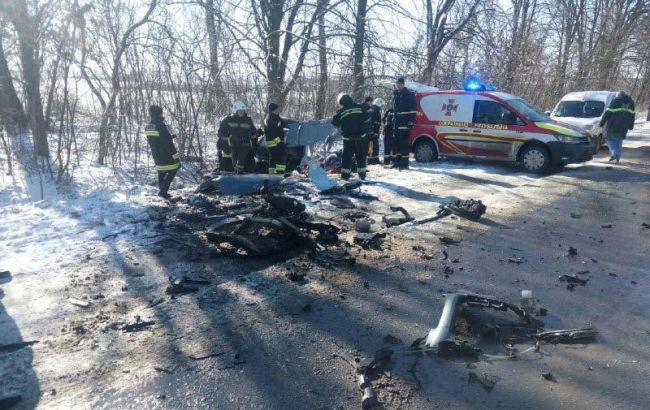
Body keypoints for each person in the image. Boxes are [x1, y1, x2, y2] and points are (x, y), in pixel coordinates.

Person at [144, 105, 181, 200]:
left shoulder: (148, 126)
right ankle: (163, 191)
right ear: (159, 113)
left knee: (161, 172)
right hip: (166, 154)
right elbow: (167, 142)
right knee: (174, 168)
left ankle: (162, 190)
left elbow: (155, 139)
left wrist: (169, 137)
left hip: (156, 154)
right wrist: (175, 156)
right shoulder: (161, 124)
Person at [331, 92, 370, 180]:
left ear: (341, 101)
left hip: (348, 138)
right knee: (361, 155)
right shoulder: (360, 107)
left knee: (347, 156)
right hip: (361, 136)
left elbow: (334, 122)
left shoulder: (341, 111)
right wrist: (363, 128)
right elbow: (368, 117)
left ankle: (345, 175)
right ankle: (362, 175)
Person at [218, 101, 257, 173]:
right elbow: (221, 132)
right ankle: (236, 173)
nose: (241, 112)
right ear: (235, 111)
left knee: (241, 160)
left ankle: (239, 172)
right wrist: (227, 140)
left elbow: (253, 131)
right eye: (239, 111)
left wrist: (255, 135)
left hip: (245, 143)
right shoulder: (228, 120)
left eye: (242, 110)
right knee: (234, 161)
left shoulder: (248, 120)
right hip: (233, 144)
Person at [599, 90, 635, 164]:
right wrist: (631, 126)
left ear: (618, 95)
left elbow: (607, 113)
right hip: (624, 126)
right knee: (619, 140)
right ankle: (617, 157)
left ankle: (614, 153)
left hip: (613, 124)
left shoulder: (616, 101)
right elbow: (632, 115)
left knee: (608, 139)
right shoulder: (631, 103)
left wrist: (601, 123)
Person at [391, 77, 417, 170]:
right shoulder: (395, 95)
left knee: (404, 144)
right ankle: (396, 162)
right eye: (397, 83)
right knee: (396, 144)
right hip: (396, 124)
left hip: (405, 123)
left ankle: (404, 163)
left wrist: (410, 122)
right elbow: (394, 110)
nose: (398, 85)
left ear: (403, 84)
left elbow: (413, 110)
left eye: (400, 84)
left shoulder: (408, 94)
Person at [263, 102, 294, 175]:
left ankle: (274, 173)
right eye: (277, 109)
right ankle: (279, 173)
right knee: (280, 157)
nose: (278, 111)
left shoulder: (276, 117)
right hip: (274, 142)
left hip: (276, 142)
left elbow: (283, 123)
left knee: (275, 158)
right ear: (272, 110)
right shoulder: (270, 119)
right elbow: (272, 132)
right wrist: (279, 140)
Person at [365, 97, 384, 165]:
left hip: (373, 133)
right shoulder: (374, 112)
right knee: (372, 147)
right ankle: (372, 161)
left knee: (374, 147)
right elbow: (370, 123)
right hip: (372, 133)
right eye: (381, 105)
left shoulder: (373, 110)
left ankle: (374, 160)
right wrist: (372, 132)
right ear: (379, 104)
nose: (382, 107)